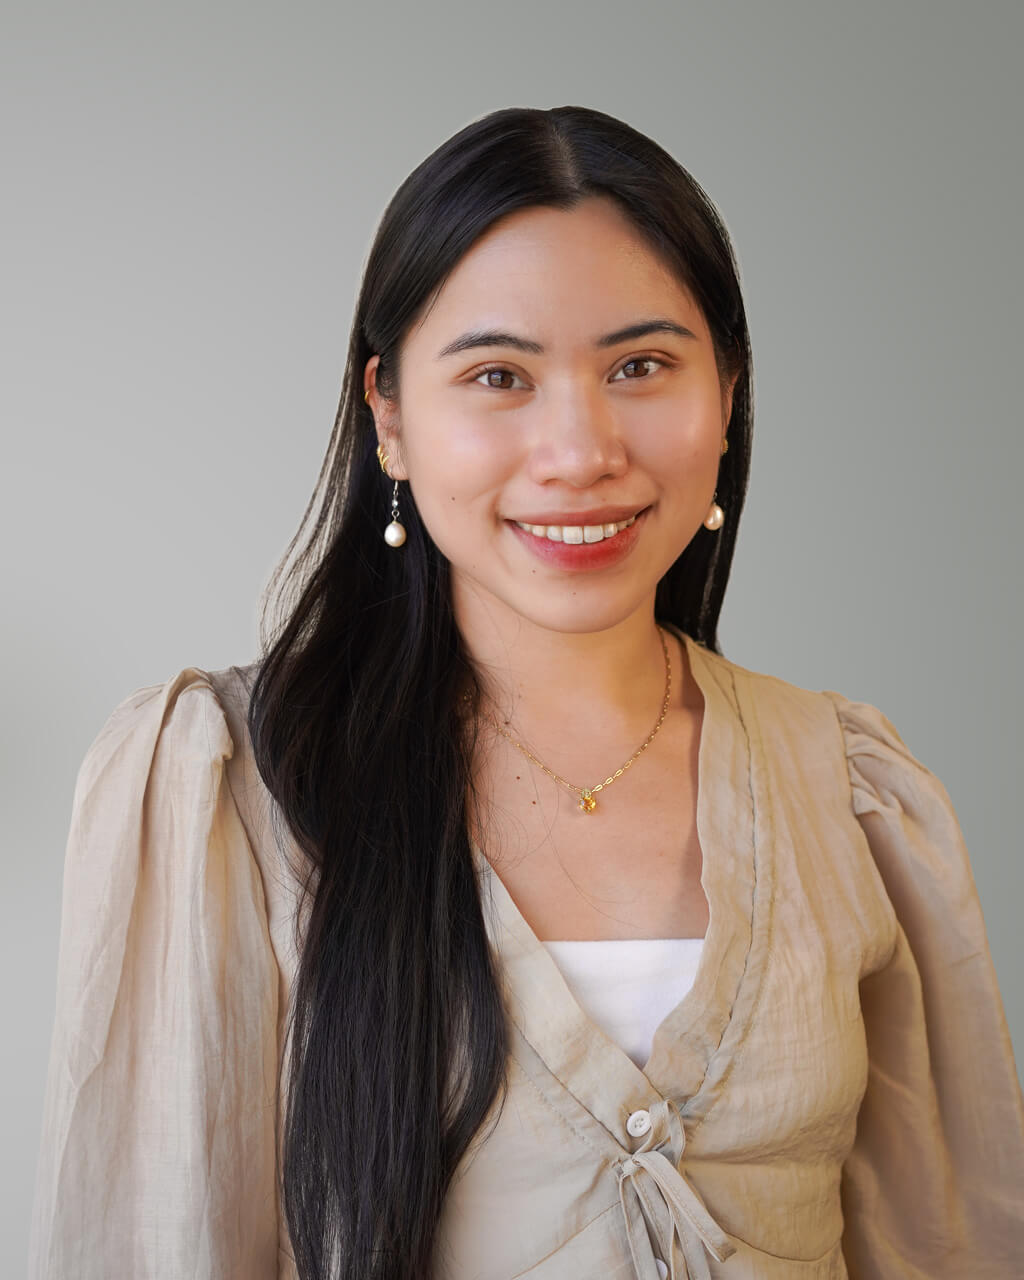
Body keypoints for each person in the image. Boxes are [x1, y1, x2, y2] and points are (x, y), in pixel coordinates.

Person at [28, 104, 1024, 1280]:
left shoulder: (850, 786)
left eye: (641, 365)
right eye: (498, 374)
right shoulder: (229, 785)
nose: (580, 446)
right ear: (388, 415)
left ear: (728, 394)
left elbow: (946, 1243)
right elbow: (152, 1244)